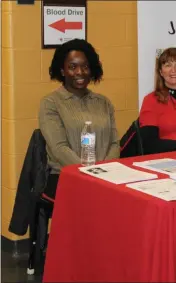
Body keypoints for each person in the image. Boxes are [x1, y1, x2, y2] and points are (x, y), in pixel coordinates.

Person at [39, 39, 120, 199]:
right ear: (62, 71)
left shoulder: (103, 102)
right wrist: (89, 174)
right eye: (72, 67)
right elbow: (59, 149)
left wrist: (105, 171)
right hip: (66, 177)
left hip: (106, 176)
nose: (80, 72)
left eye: (85, 66)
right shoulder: (51, 103)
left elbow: (114, 143)